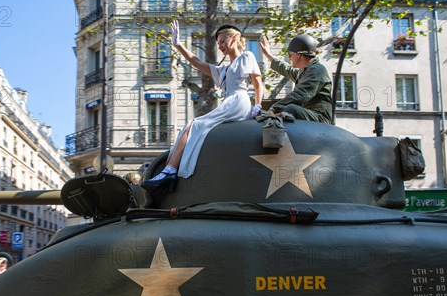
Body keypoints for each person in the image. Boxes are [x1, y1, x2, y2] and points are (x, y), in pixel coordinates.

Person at [142, 20, 263, 190]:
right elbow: (196, 62)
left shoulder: (247, 56)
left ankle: (169, 171)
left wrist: (257, 105)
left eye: (222, 41)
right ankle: (168, 171)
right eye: (218, 42)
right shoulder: (224, 70)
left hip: (239, 100)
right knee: (189, 126)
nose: (220, 45)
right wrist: (178, 45)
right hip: (230, 101)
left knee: (195, 125)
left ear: (235, 38)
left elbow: (258, 82)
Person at [259, 34, 332, 123]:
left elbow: (300, 95)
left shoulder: (316, 71)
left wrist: (274, 109)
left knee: (290, 109)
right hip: (311, 114)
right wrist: (268, 54)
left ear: (299, 55)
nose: (289, 58)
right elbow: (286, 69)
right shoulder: (306, 71)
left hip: (320, 118)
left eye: (290, 54)